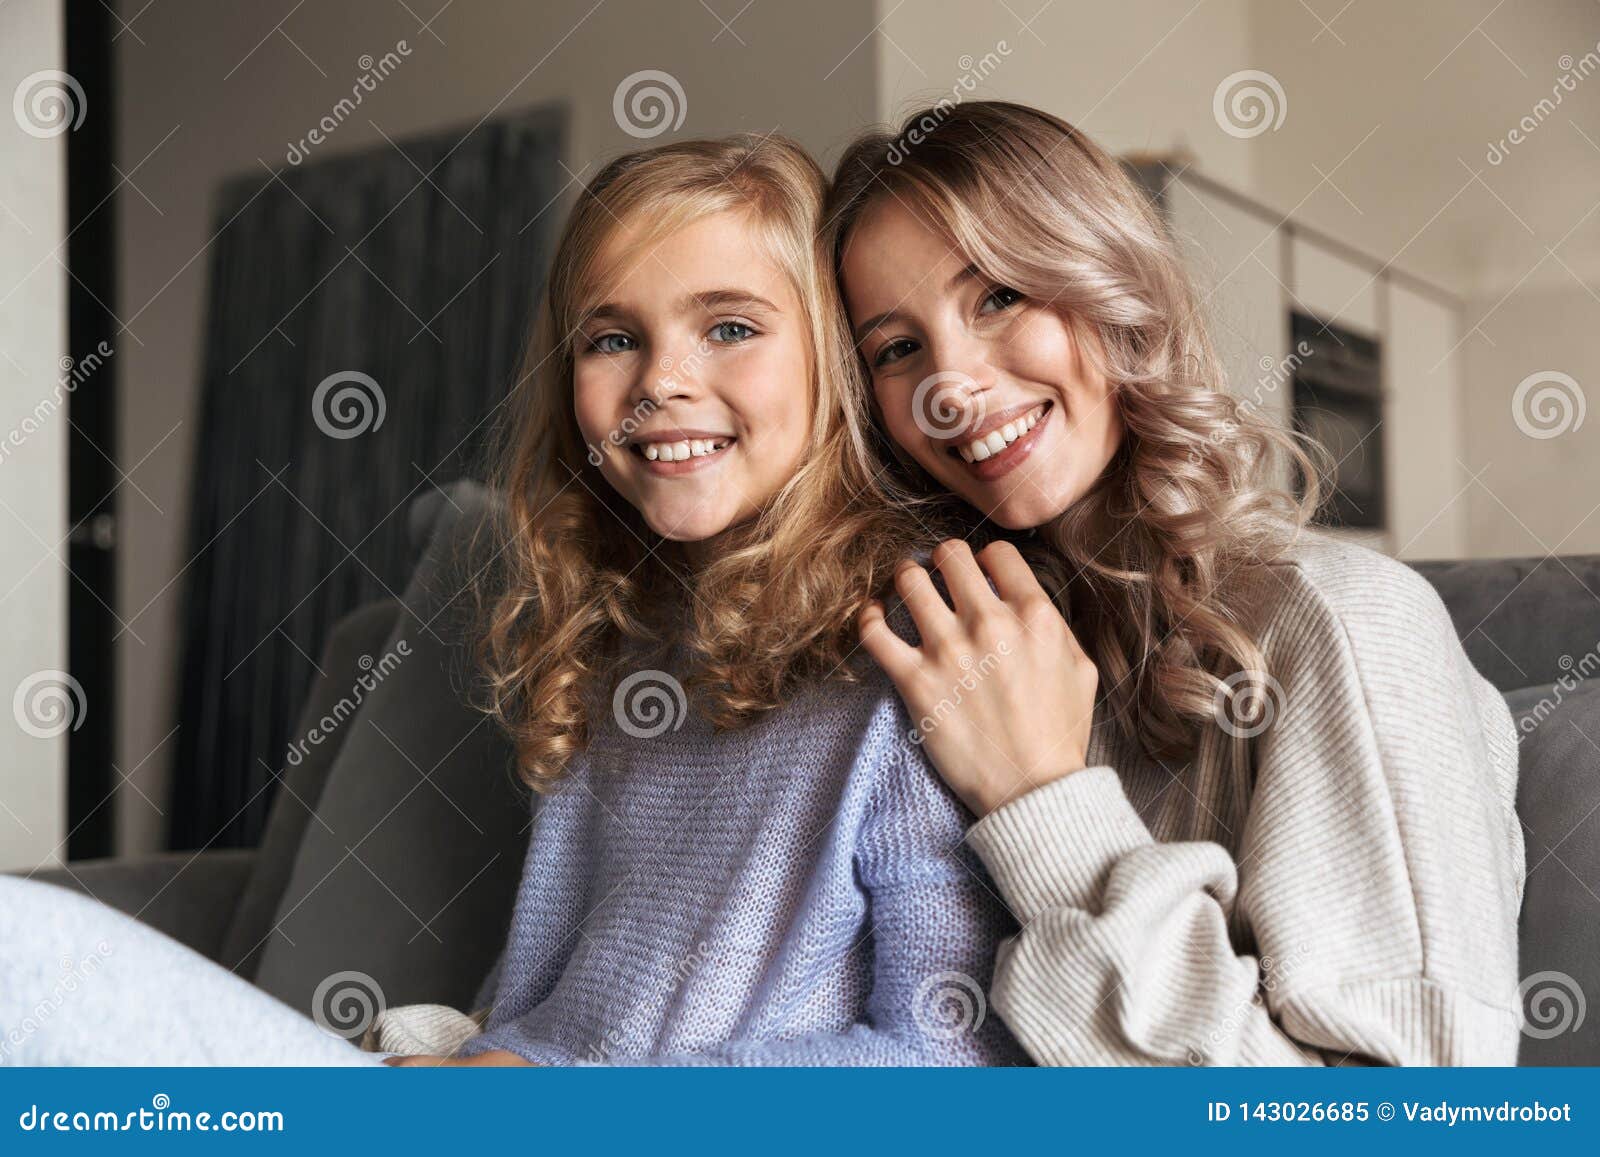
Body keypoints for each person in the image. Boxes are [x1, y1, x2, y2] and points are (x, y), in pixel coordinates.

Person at [824, 100, 1526, 1066]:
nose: (953, 384)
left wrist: (1041, 798)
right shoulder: (964, 654)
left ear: (1108, 281)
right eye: (896, 349)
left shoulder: (1347, 623)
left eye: (997, 297)